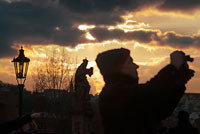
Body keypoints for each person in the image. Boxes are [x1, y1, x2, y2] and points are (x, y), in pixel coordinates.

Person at [95, 48, 195, 134]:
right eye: (130, 62)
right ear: (117, 68)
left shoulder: (117, 91)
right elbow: (150, 92)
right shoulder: (113, 93)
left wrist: (178, 84)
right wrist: (172, 68)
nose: (136, 66)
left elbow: (161, 109)